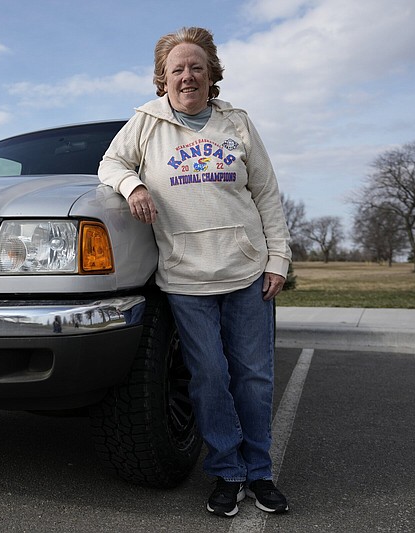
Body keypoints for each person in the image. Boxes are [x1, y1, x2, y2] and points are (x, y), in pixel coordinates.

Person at [98, 27, 292, 517]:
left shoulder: (238, 123)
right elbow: (110, 162)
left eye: (197, 67)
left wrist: (278, 259)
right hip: (186, 277)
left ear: (212, 74)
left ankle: (261, 472)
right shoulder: (144, 123)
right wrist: (133, 186)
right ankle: (228, 471)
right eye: (177, 69)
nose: (188, 76)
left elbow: (267, 194)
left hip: (247, 271)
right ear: (163, 79)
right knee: (208, 377)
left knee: (254, 377)